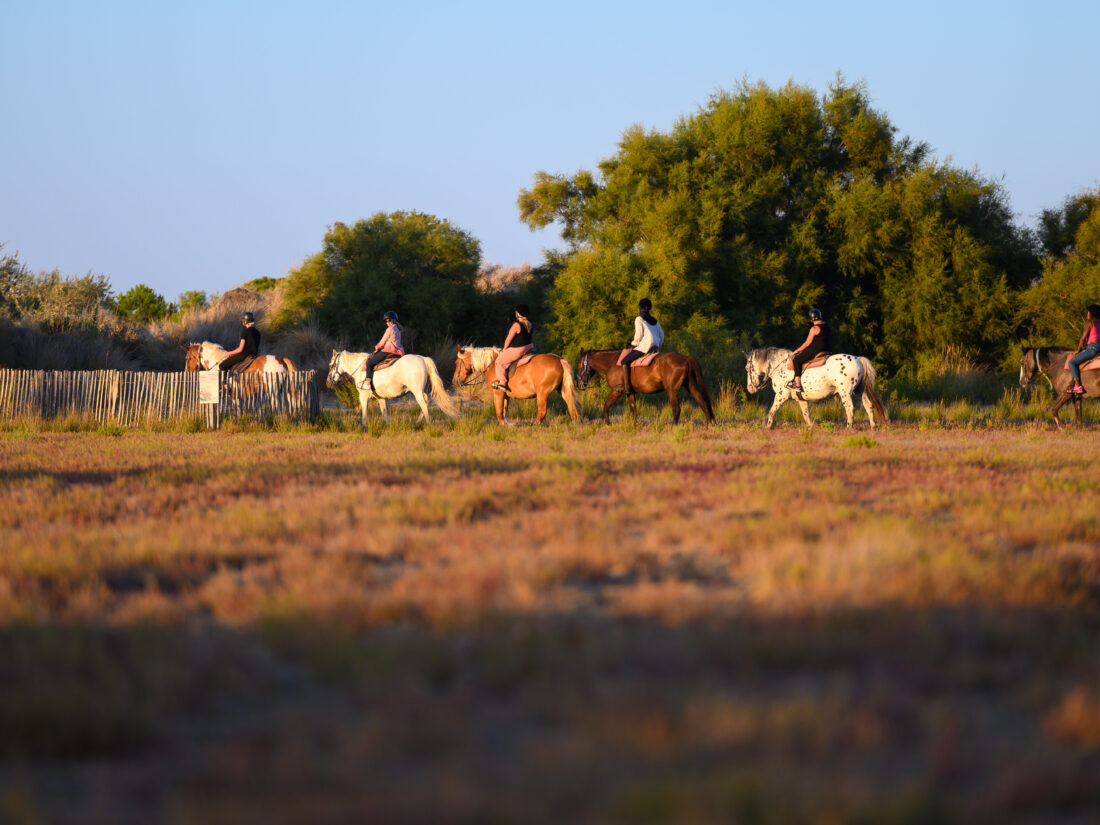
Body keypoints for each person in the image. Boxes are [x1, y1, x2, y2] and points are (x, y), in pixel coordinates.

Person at [618, 298, 664, 395]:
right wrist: (657, 346)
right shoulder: (655, 321)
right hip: (654, 348)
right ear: (649, 308)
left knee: (624, 361)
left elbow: (638, 336)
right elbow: (662, 335)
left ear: (640, 308)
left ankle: (626, 387)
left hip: (644, 348)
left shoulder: (639, 319)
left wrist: (633, 344)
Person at [492, 305, 534, 392]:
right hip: (529, 347)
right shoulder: (530, 324)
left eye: (516, 312)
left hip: (519, 349)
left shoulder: (516, 324)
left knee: (499, 361)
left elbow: (508, 339)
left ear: (518, 314)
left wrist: (504, 350)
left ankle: (502, 383)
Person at [787, 308, 831, 392]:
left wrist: (797, 351)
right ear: (820, 316)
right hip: (828, 350)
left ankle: (797, 385)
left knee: (796, 360)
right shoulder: (827, 325)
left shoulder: (814, 329)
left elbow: (807, 343)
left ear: (811, 319)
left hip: (816, 351)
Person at [364, 310, 405, 393]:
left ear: (394, 320)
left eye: (389, 320)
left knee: (369, 363)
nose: (387, 322)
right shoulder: (398, 329)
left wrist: (377, 347)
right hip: (398, 351)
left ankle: (368, 383)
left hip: (388, 350)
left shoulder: (390, 329)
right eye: (386, 321)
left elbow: (383, 341)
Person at [1068, 303, 1100, 394]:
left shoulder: (1089, 323)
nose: (1087, 314)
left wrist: (1078, 350)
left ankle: (1077, 386)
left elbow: (1082, 338)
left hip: (1093, 348)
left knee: (1072, 362)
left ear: (1091, 313)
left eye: (1088, 312)